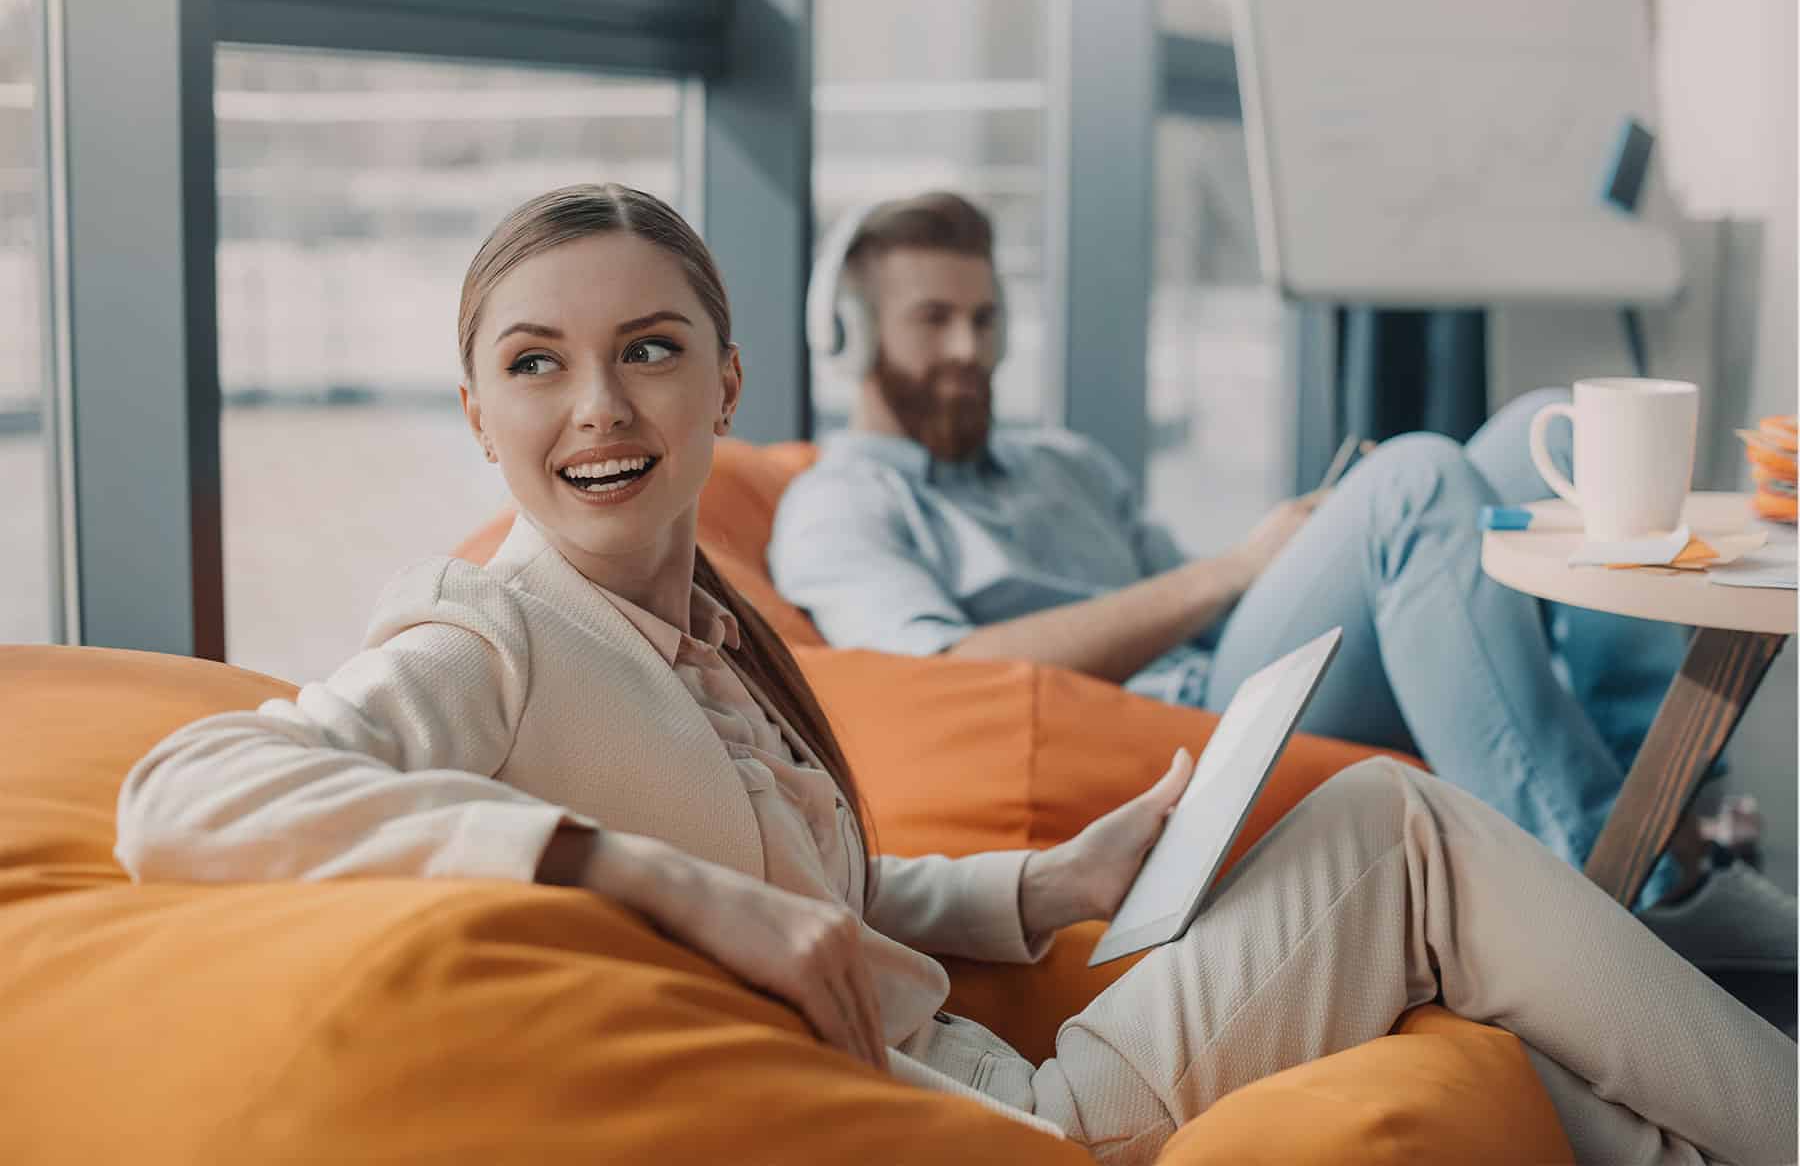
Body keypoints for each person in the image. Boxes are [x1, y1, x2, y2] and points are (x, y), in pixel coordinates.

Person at [116, 184, 1791, 1166]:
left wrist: (1035, 884)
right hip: (1003, 1121)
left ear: (724, 384)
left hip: (992, 1063)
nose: (598, 409)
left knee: (1422, 856)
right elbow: (181, 792)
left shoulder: (697, 626)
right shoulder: (489, 630)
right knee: (1414, 843)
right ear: (478, 416)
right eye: (535, 366)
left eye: (648, 352)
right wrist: (642, 888)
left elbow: (805, 878)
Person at [768, 191, 1794, 970]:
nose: (970, 349)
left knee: (1540, 432)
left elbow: (1200, 601)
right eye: (934, 320)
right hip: (1167, 739)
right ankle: (1618, 896)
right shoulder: (841, 501)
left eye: (986, 319)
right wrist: (1242, 566)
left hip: (1226, 666)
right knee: (1415, 480)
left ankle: (1667, 820)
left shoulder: (1061, 463)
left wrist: (1286, 554)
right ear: (852, 337)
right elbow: (940, 672)